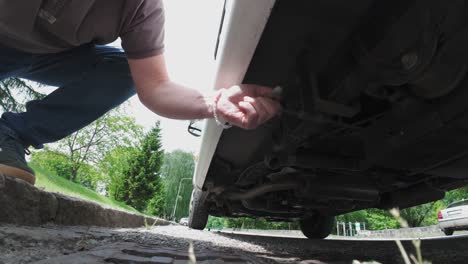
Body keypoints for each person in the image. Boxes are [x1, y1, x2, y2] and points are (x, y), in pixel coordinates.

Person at [0, 0, 281, 185]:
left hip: (53, 57)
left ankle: (12, 134)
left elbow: (156, 88)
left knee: (124, 71)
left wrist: (216, 101)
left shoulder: (140, 8)